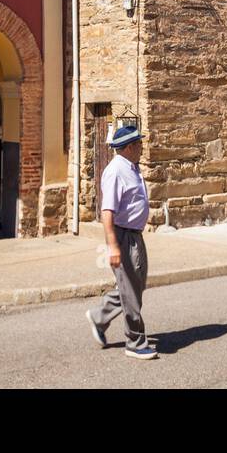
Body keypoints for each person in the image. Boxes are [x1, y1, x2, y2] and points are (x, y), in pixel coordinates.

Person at [85, 124, 157, 359]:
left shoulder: (132, 167)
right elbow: (107, 212)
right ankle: (135, 342)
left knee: (134, 285)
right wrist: (113, 246)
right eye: (138, 144)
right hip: (123, 235)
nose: (141, 147)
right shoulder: (116, 171)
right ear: (128, 147)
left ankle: (99, 316)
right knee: (132, 291)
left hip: (135, 235)